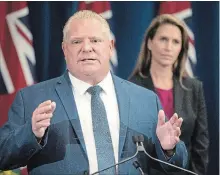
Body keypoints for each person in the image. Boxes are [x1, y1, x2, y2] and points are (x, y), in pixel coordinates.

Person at [0, 10, 188, 175]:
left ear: (110, 46)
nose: (86, 48)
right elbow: (3, 156)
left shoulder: (145, 100)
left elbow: (176, 165)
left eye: (95, 40)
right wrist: (31, 134)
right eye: (76, 42)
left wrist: (169, 149)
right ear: (65, 49)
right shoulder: (31, 99)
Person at [129, 14, 209, 175]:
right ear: (150, 43)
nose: (168, 47)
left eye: (175, 42)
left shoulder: (194, 88)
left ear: (182, 49)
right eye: (163, 39)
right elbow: (128, 148)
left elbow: (201, 146)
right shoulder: (131, 87)